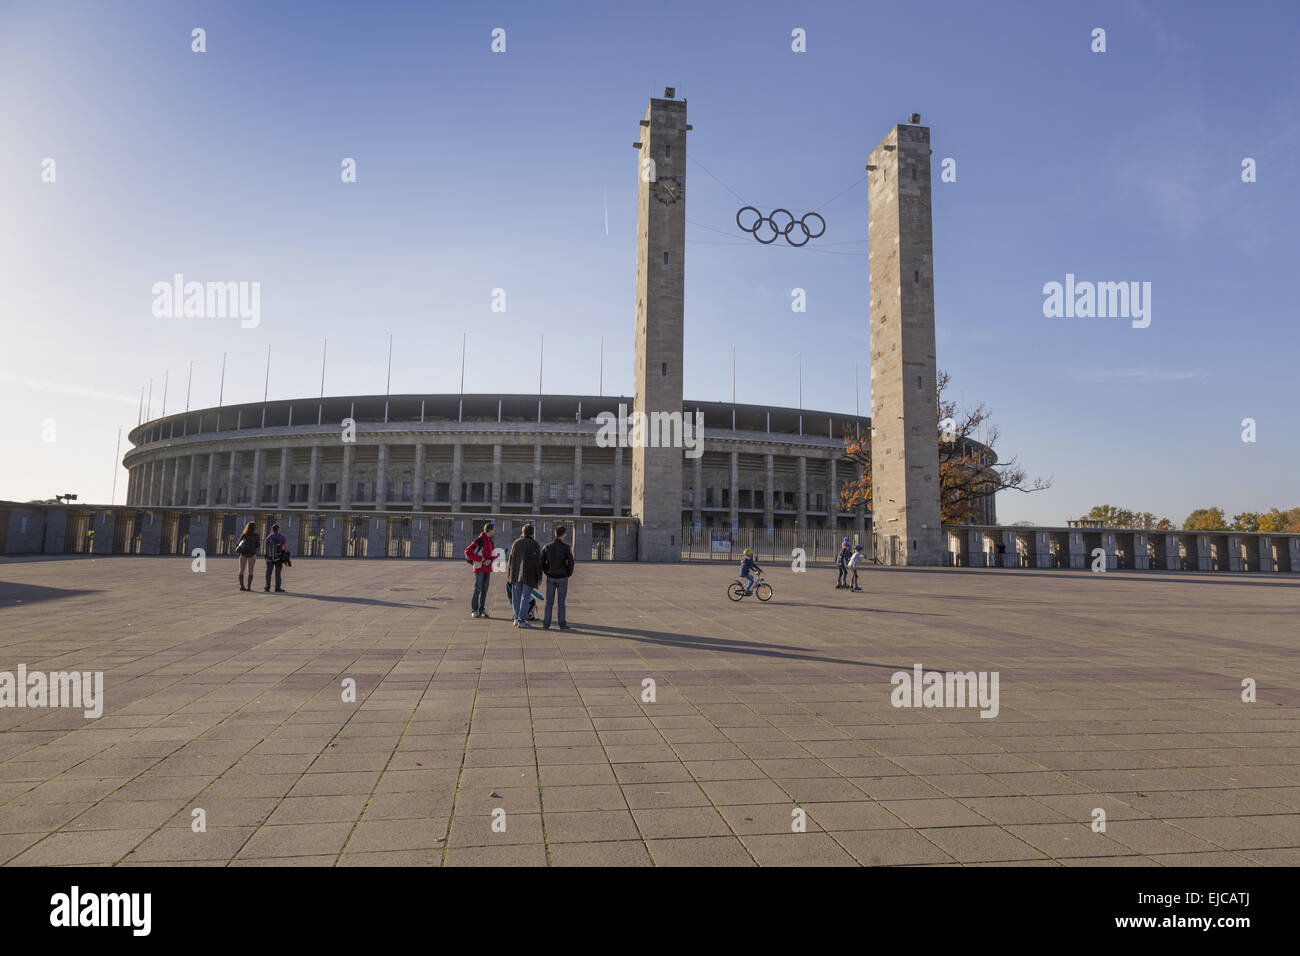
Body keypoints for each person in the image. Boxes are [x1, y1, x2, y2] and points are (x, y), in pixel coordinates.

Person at [506, 524, 543, 628]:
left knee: (516, 597)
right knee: (525, 597)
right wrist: (539, 577)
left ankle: (516, 618)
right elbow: (537, 562)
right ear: (532, 533)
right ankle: (522, 620)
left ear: (522, 532)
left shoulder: (516, 543)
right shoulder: (534, 544)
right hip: (529, 575)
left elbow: (510, 560)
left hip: (515, 574)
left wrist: (509, 575)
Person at [540, 525, 575, 631]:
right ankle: (562, 624)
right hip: (562, 577)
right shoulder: (566, 547)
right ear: (563, 534)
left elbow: (542, 562)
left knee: (549, 602)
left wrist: (547, 571)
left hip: (550, 576)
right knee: (561, 602)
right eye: (565, 534)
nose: (566, 535)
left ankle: (546, 624)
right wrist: (568, 573)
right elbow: (571, 562)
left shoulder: (547, 547)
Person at [465, 521, 497, 618]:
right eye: (493, 529)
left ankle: (481, 609)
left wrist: (490, 560)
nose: (494, 531)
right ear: (490, 530)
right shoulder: (479, 540)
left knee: (485, 590)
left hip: (487, 568)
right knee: (477, 589)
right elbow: (467, 551)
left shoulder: (491, 541)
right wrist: (482, 560)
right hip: (479, 568)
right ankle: (474, 610)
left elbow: (493, 554)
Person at [235, 521, 260, 591]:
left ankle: (242, 586)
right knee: (251, 571)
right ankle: (249, 587)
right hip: (252, 555)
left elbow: (238, 544)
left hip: (243, 554)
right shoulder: (256, 536)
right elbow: (258, 545)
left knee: (241, 571)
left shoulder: (244, 535)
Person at [264, 523, 289, 593]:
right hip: (278, 557)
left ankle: (267, 587)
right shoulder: (282, 537)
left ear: (272, 530)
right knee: (278, 572)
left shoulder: (268, 537)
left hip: (269, 557)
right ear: (278, 529)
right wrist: (285, 553)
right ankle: (277, 588)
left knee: (268, 572)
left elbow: (266, 546)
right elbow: (285, 547)